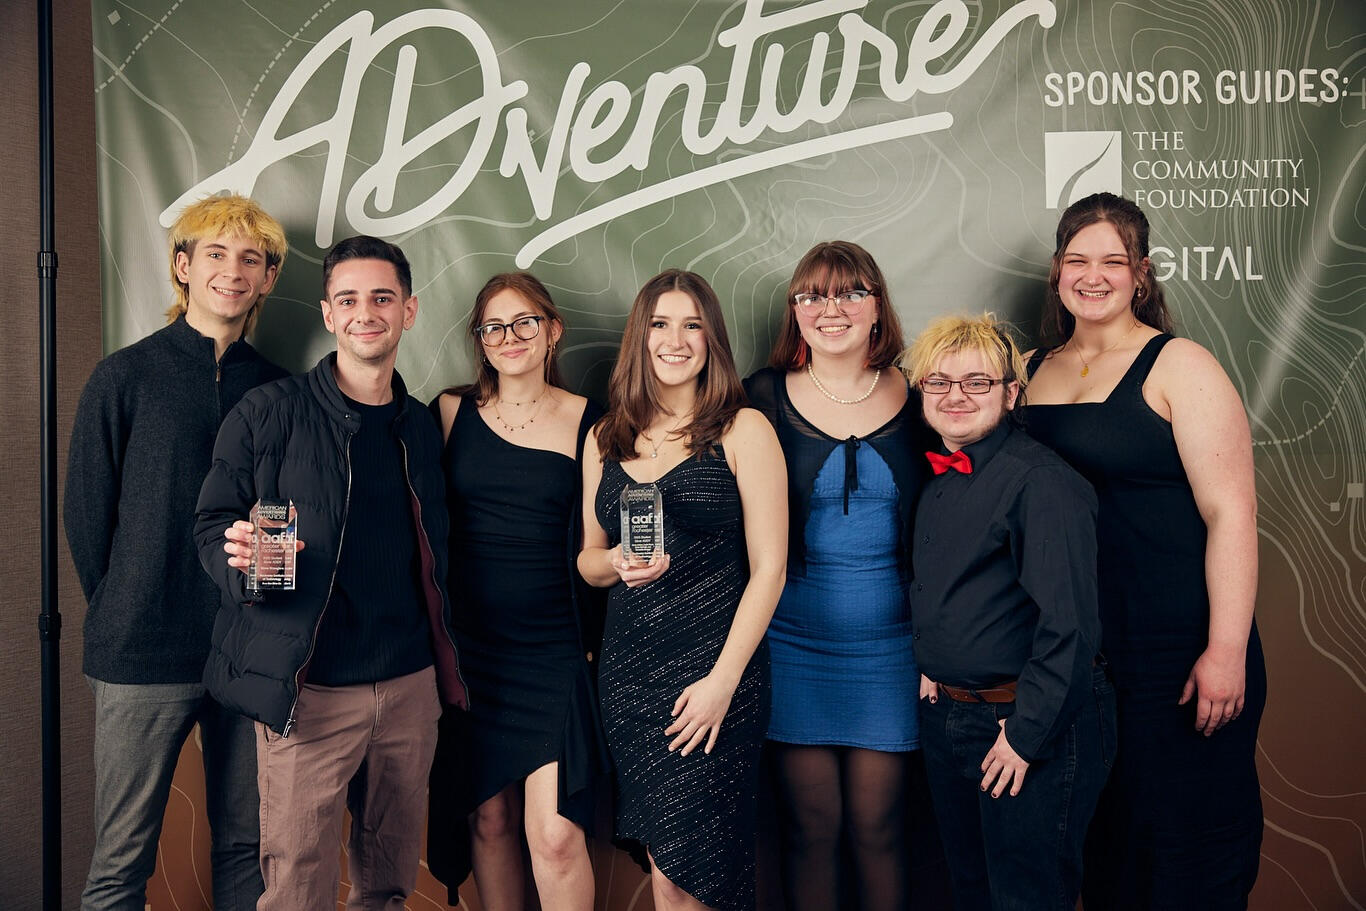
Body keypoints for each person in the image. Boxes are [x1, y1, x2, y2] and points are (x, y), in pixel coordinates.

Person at [194, 235, 468, 910]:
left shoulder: (422, 425)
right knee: (296, 889)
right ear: (327, 313)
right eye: (348, 299)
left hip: (409, 689)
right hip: (307, 691)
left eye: (382, 298)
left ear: (409, 310)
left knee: (388, 885)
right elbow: (211, 524)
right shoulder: (268, 412)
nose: (364, 313)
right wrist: (240, 563)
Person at [1021, 192, 1266, 909]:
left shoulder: (1179, 364)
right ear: (1057, 271)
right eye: (1077, 260)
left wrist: (1225, 649)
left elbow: (1232, 512)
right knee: (1106, 846)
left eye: (1113, 261)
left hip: (1177, 649)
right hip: (1079, 654)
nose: (1093, 276)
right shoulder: (1027, 368)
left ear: (1141, 273)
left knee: (1185, 845)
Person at [64, 193, 287, 911]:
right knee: (120, 863)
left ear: (267, 278)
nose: (233, 270)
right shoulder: (123, 377)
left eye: (250, 258)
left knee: (246, 852)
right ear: (183, 267)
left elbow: (287, 516)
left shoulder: (280, 390)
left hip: (247, 652)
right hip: (141, 648)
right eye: (215, 254)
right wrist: (128, 599)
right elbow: (86, 516)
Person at [578, 269, 787, 911]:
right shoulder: (606, 437)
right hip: (630, 680)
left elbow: (771, 568)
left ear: (712, 339)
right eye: (660, 325)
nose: (675, 340)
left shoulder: (743, 429)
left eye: (692, 325)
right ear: (639, 338)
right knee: (664, 870)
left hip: (717, 677)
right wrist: (615, 560)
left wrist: (722, 683)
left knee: (701, 873)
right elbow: (587, 561)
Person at [903, 313, 1115, 911]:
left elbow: (1070, 628)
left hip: (1026, 721)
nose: (956, 396)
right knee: (972, 893)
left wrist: (1025, 736)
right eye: (939, 382)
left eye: (977, 382)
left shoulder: (1040, 483)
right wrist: (937, 660)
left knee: (1027, 899)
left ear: (1011, 393)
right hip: (952, 714)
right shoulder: (941, 473)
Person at [743, 241, 930, 911]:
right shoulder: (761, 398)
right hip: (792, 647)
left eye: (851, 293)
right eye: (813, 295)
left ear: (878, 308)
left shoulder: (925, 396)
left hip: (895, 652)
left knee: (879, 828)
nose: (832, 309)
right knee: (811, 828)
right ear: (795, 312)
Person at [426, 272, 607, 911]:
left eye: (525, 321)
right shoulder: (449, 413)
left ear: (552, 330)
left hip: (554, 652)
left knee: (555, 836)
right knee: (489, 818)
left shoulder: (590, 421)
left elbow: (593, 543)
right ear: (480, 339)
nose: (510, 336)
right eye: (494, 326)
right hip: (470, 655)